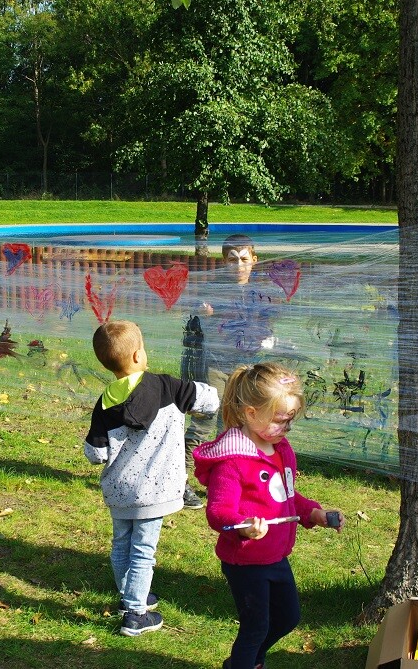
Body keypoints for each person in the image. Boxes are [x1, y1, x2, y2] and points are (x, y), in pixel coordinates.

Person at [193, 362, 343, 669]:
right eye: (280, 421)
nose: (286, 428)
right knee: (255, 626)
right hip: (246, 561)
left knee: (289, 617)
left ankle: (248, 661)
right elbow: (217, 511)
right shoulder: (232, 461)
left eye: (290, 421)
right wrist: (243, 526)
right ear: (251, 413)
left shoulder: (280, 449)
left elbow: (286, 496)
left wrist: (312, 512)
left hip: (275, 556)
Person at [84, 320, 219, 637]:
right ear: (136, 356)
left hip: (119, 491)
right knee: (143, 550)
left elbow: (96, 454)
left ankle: (129, 595)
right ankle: (135, 614)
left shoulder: (104, 403)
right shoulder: (167, 387)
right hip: (155, 490)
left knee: (121, 545)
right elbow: (210, 399)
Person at [183, 234, 267, 510]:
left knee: (233, 428)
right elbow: (198, 310)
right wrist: (203, 310)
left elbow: (266, 321)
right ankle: (179, 480)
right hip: (216, 366)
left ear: (254, 260)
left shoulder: (261, 291)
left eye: (244, 259)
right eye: (232, 260)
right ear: (224, 262)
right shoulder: (214, 288)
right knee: (205, 421)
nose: (239, 265)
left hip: (244, 369)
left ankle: (223, 481)